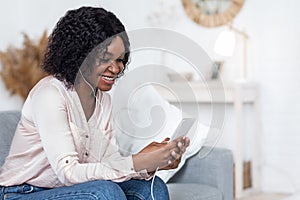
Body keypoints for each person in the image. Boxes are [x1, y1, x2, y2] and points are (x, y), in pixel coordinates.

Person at [0, 6, 190, 200]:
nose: (116, 68)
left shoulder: (103, 101)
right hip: (21, 193)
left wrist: (148, 163)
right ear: (79, 55)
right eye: (106, 58)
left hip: (69, 189)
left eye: (120, 59)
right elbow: (69, 172)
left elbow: (106, 163)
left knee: (152, 186)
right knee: (104, 192)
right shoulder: (50, 94)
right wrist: (137, 162)